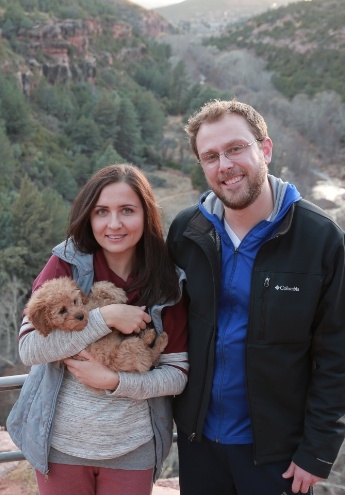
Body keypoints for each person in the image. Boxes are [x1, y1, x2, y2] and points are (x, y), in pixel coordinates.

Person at [166, 99, 345, 495]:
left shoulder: (320, 239)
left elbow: (337, 352)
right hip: (199, 446)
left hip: (277, 456)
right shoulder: (186, 232)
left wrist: (318, 450)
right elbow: (166, 322)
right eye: (210, 156)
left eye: (235, 149)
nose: (224, 165)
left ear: (264, 149)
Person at [7, 164, 189, 495]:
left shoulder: (167, 281)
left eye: (127, 211)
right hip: (59, 446)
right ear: (88, 218)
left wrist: (115, 382)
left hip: (132, 449)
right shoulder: (66, 263)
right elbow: (29, 348)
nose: (114, 223)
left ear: (146, 216)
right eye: (101, 211)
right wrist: (105, 318)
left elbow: (176, 374)